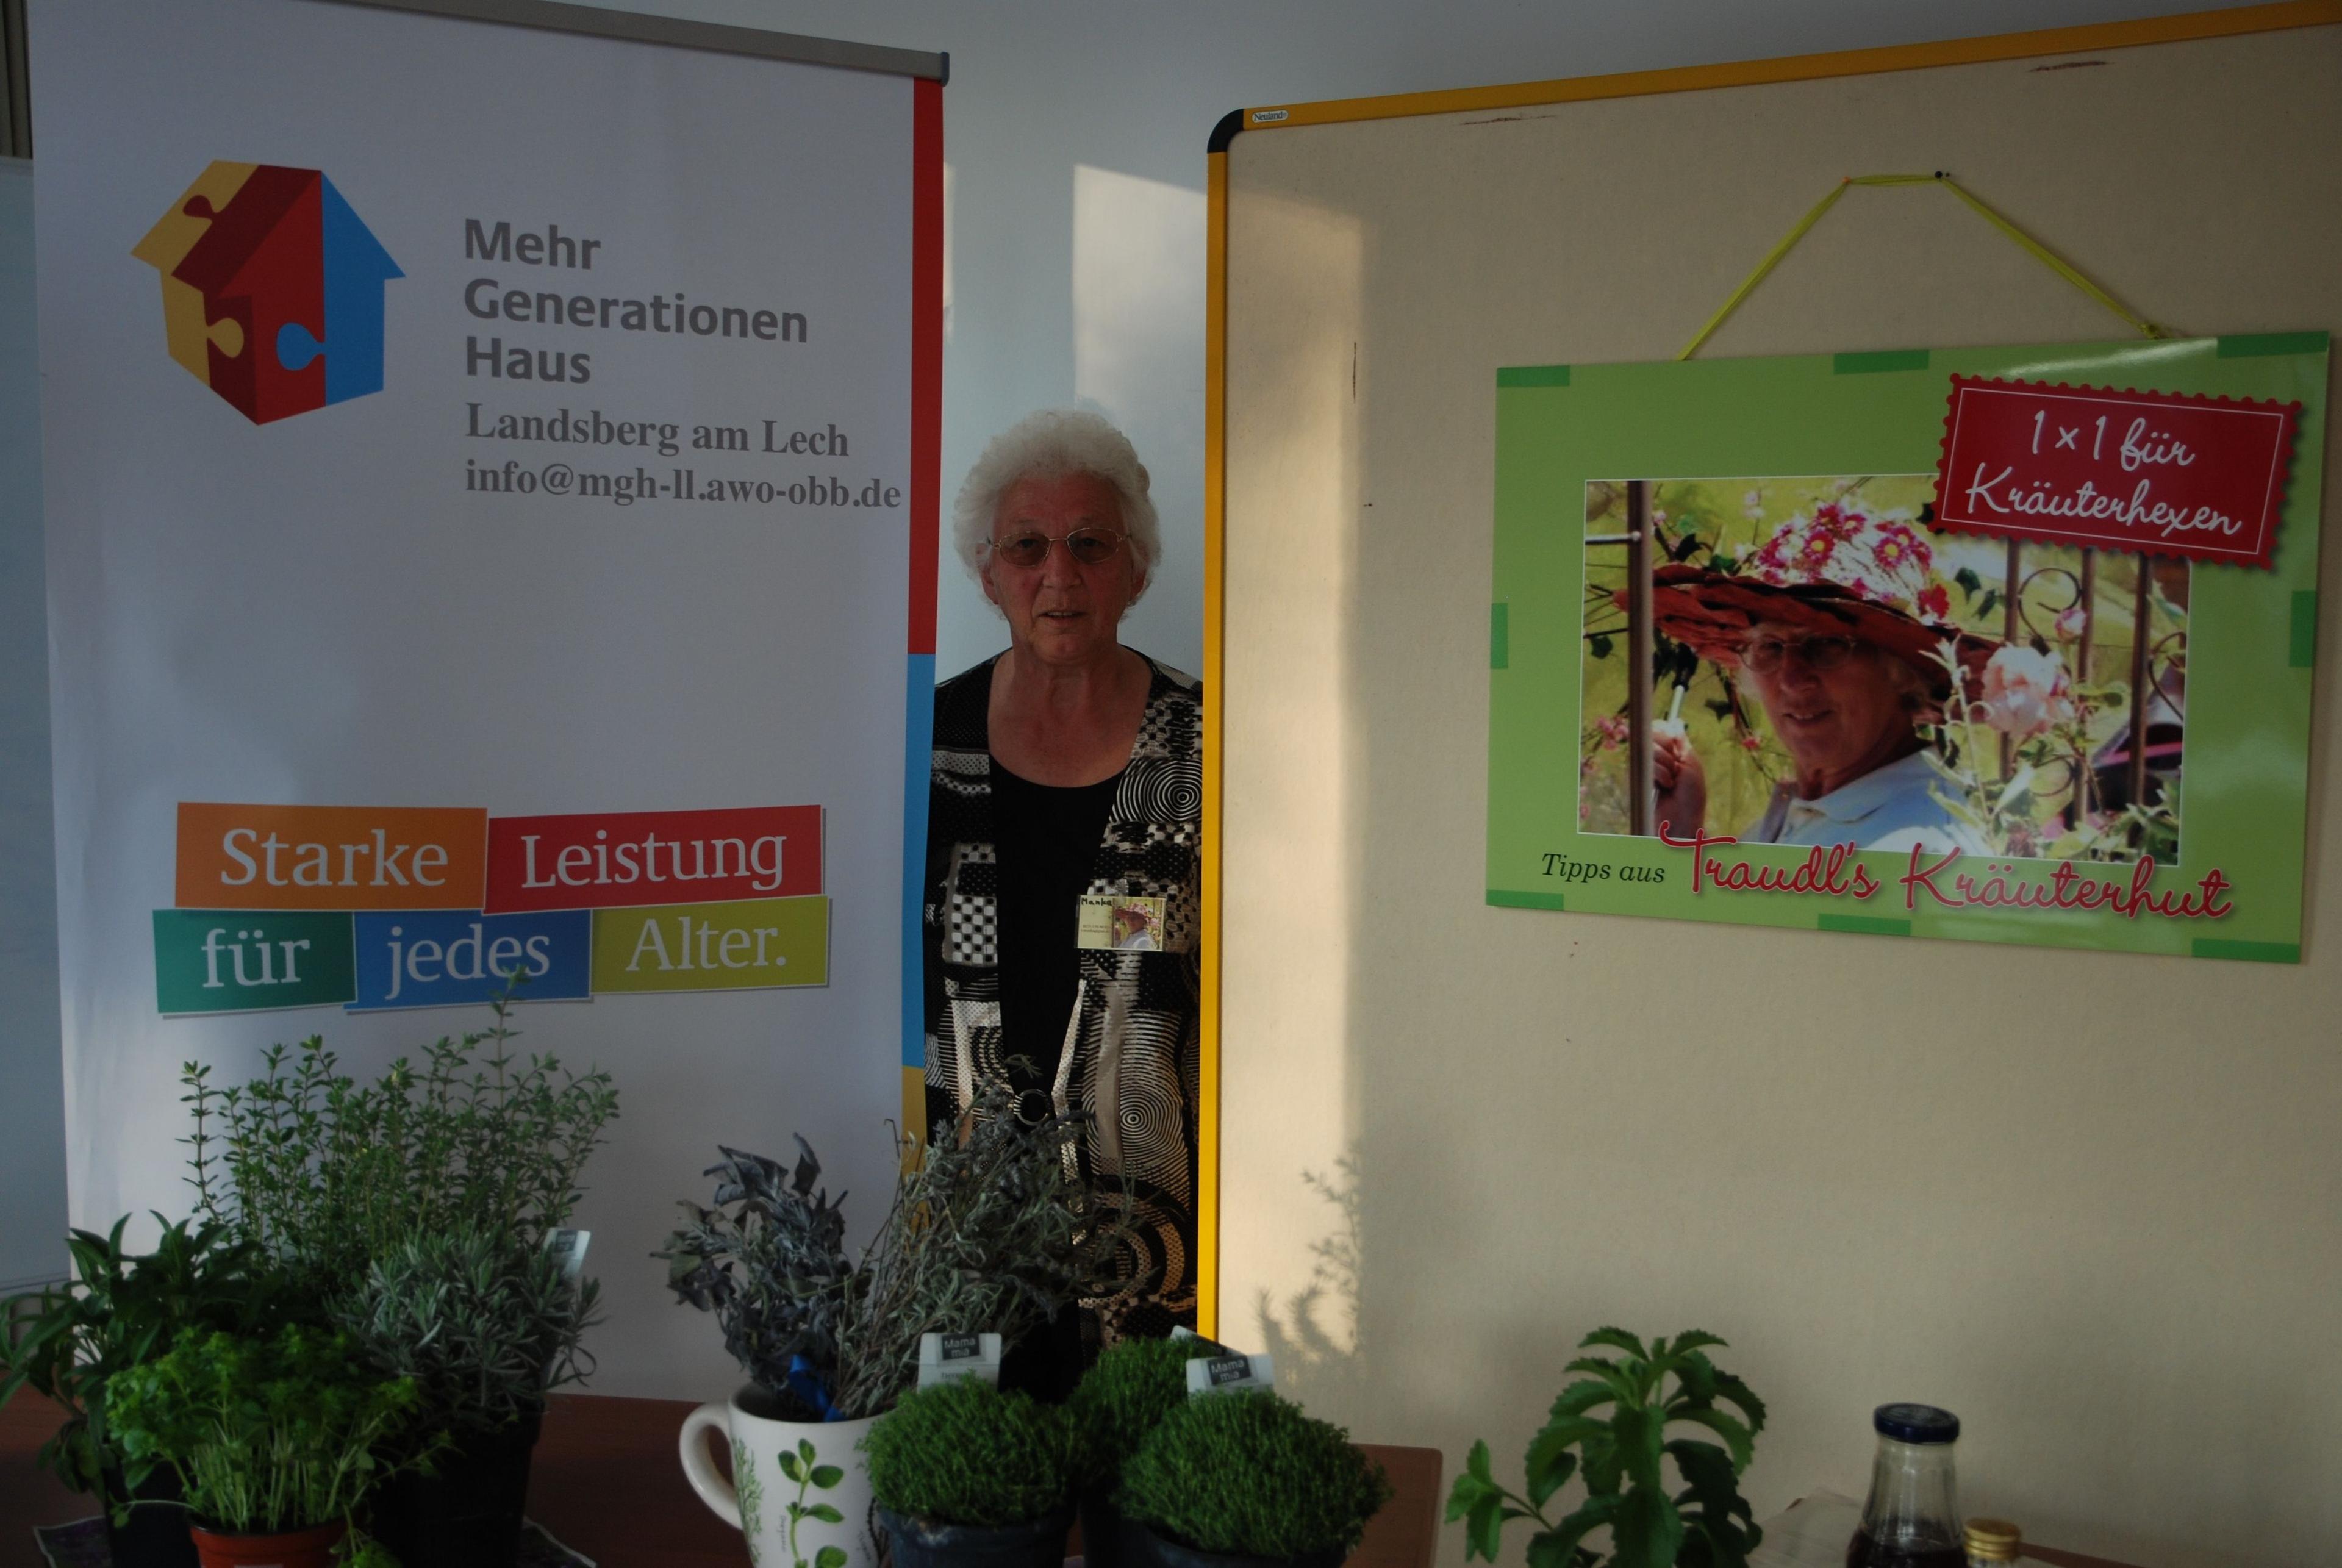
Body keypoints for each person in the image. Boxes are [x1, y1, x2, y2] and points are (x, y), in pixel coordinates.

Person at [922, 409, 1201, 1373]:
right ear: (987, 572)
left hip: (1157, 1219)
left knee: (1141, 1442)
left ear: (1137, 568)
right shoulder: (926, 740)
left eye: (1090, 544)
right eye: (1027, 546)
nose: (1059, 574)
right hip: (965, 1215)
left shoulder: (1207, 742)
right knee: (977, 1447)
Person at [1641, 501, 1994, 853]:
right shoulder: (1812, 813)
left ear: (1902, 670)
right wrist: (1677, 836)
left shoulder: (1920, 847)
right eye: (1770, 647)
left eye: (1827, 644)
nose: (1792, 679)